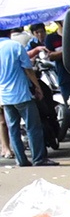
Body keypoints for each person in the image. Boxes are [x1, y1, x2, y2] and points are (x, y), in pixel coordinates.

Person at [0, 31, 47, 167]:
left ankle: (21, 160)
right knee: (33, 127)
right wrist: (37, 87)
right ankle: (38, 158)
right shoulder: (15, 46)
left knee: (13, 128)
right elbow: (28, 69)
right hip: (21, 94)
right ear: (9, 32)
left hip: (5, 96)